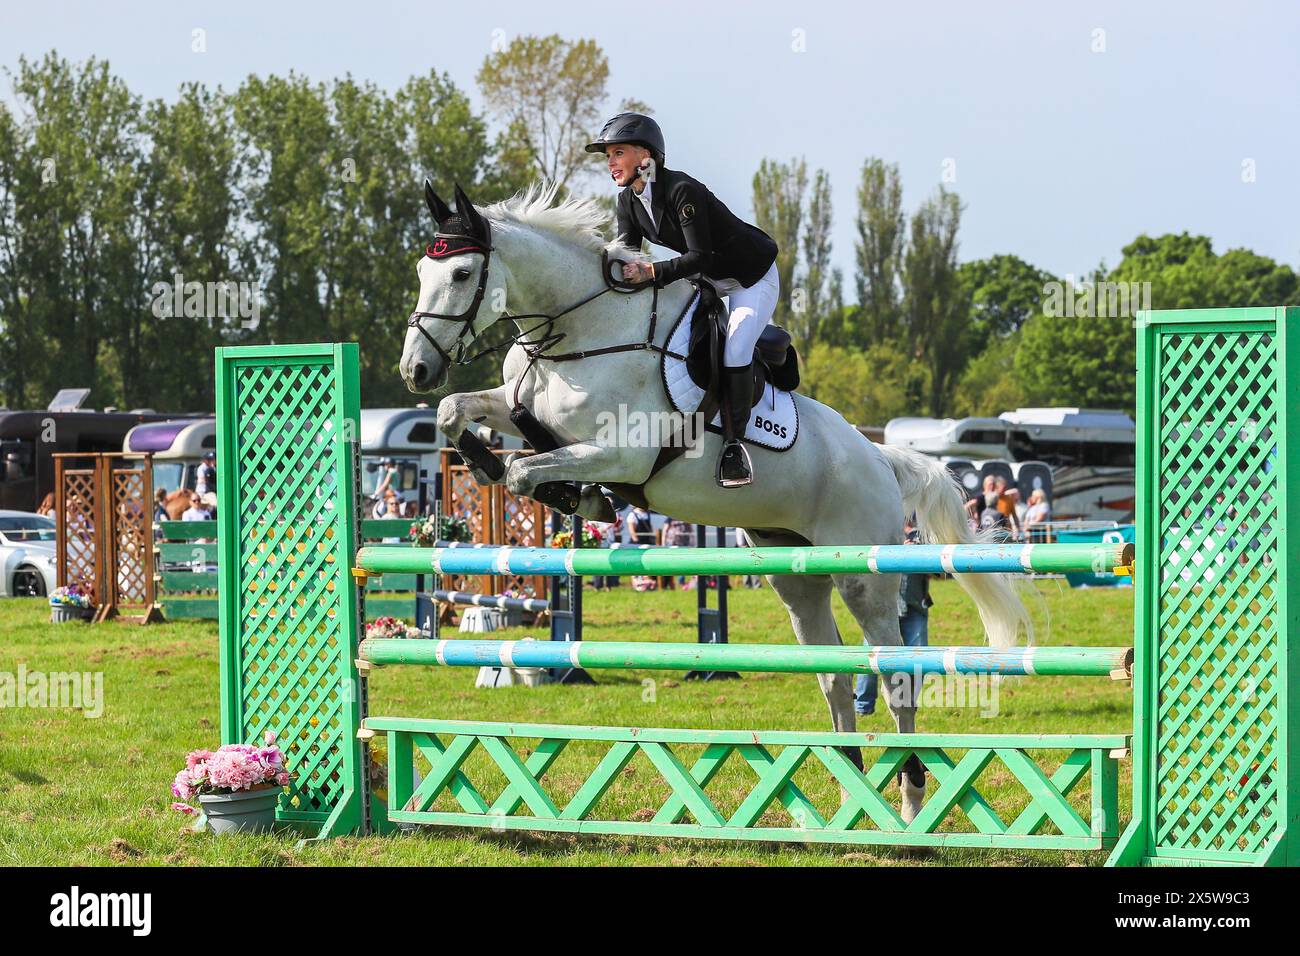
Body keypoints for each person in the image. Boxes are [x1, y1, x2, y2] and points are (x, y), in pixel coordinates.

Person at [586, 112, 779, 488]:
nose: (609, 163)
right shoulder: (628, 201)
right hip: (704, 279)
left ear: (646, 156)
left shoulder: (680, 191)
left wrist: (653, 273)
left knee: (736, 349)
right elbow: (627, 255)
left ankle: (734, 447)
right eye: (607, 155)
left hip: (749, 278)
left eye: (617, 153)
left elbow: (699, 257)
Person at [855, 519, 931, 718]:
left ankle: (906, 703)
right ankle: (863, 704)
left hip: (915, 606)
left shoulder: (922, 537)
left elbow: (938, 572)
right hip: (882, 607)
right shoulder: (878, 533)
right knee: (871, 657)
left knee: (919, 659)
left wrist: (919, 555)